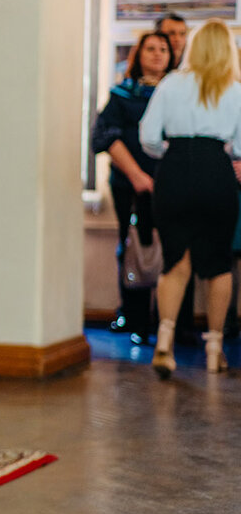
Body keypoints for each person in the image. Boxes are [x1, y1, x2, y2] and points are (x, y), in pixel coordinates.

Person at [139, 19, 241, 378]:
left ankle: (164, 343)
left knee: (175, 262)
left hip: (176, 170)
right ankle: (215, 350)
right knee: (218, 264)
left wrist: (172, 150)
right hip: (216, 172)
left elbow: (148, 137)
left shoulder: (171, 84)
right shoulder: (234, 89)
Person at [91, 31, 174, 344]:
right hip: (130, 185)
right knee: (133, 248)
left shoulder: (178, 93)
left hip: (170, 186)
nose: (156, 55)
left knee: (173, 253)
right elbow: (105, 137)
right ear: (139, 54)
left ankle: (169, 323)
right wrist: (138, 175)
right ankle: (136, 320)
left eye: (163, 49)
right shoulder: (122, 94)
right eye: (150, 49)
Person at [154, 13, 196, 342]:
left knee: (189, 257)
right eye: (171, 34)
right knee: (164, 257)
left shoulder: (196, 82)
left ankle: (178, 329)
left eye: (183, 34)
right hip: (156, 177)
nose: (177, 40)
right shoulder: (162, 84)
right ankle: (153, 324)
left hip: (181, 173)